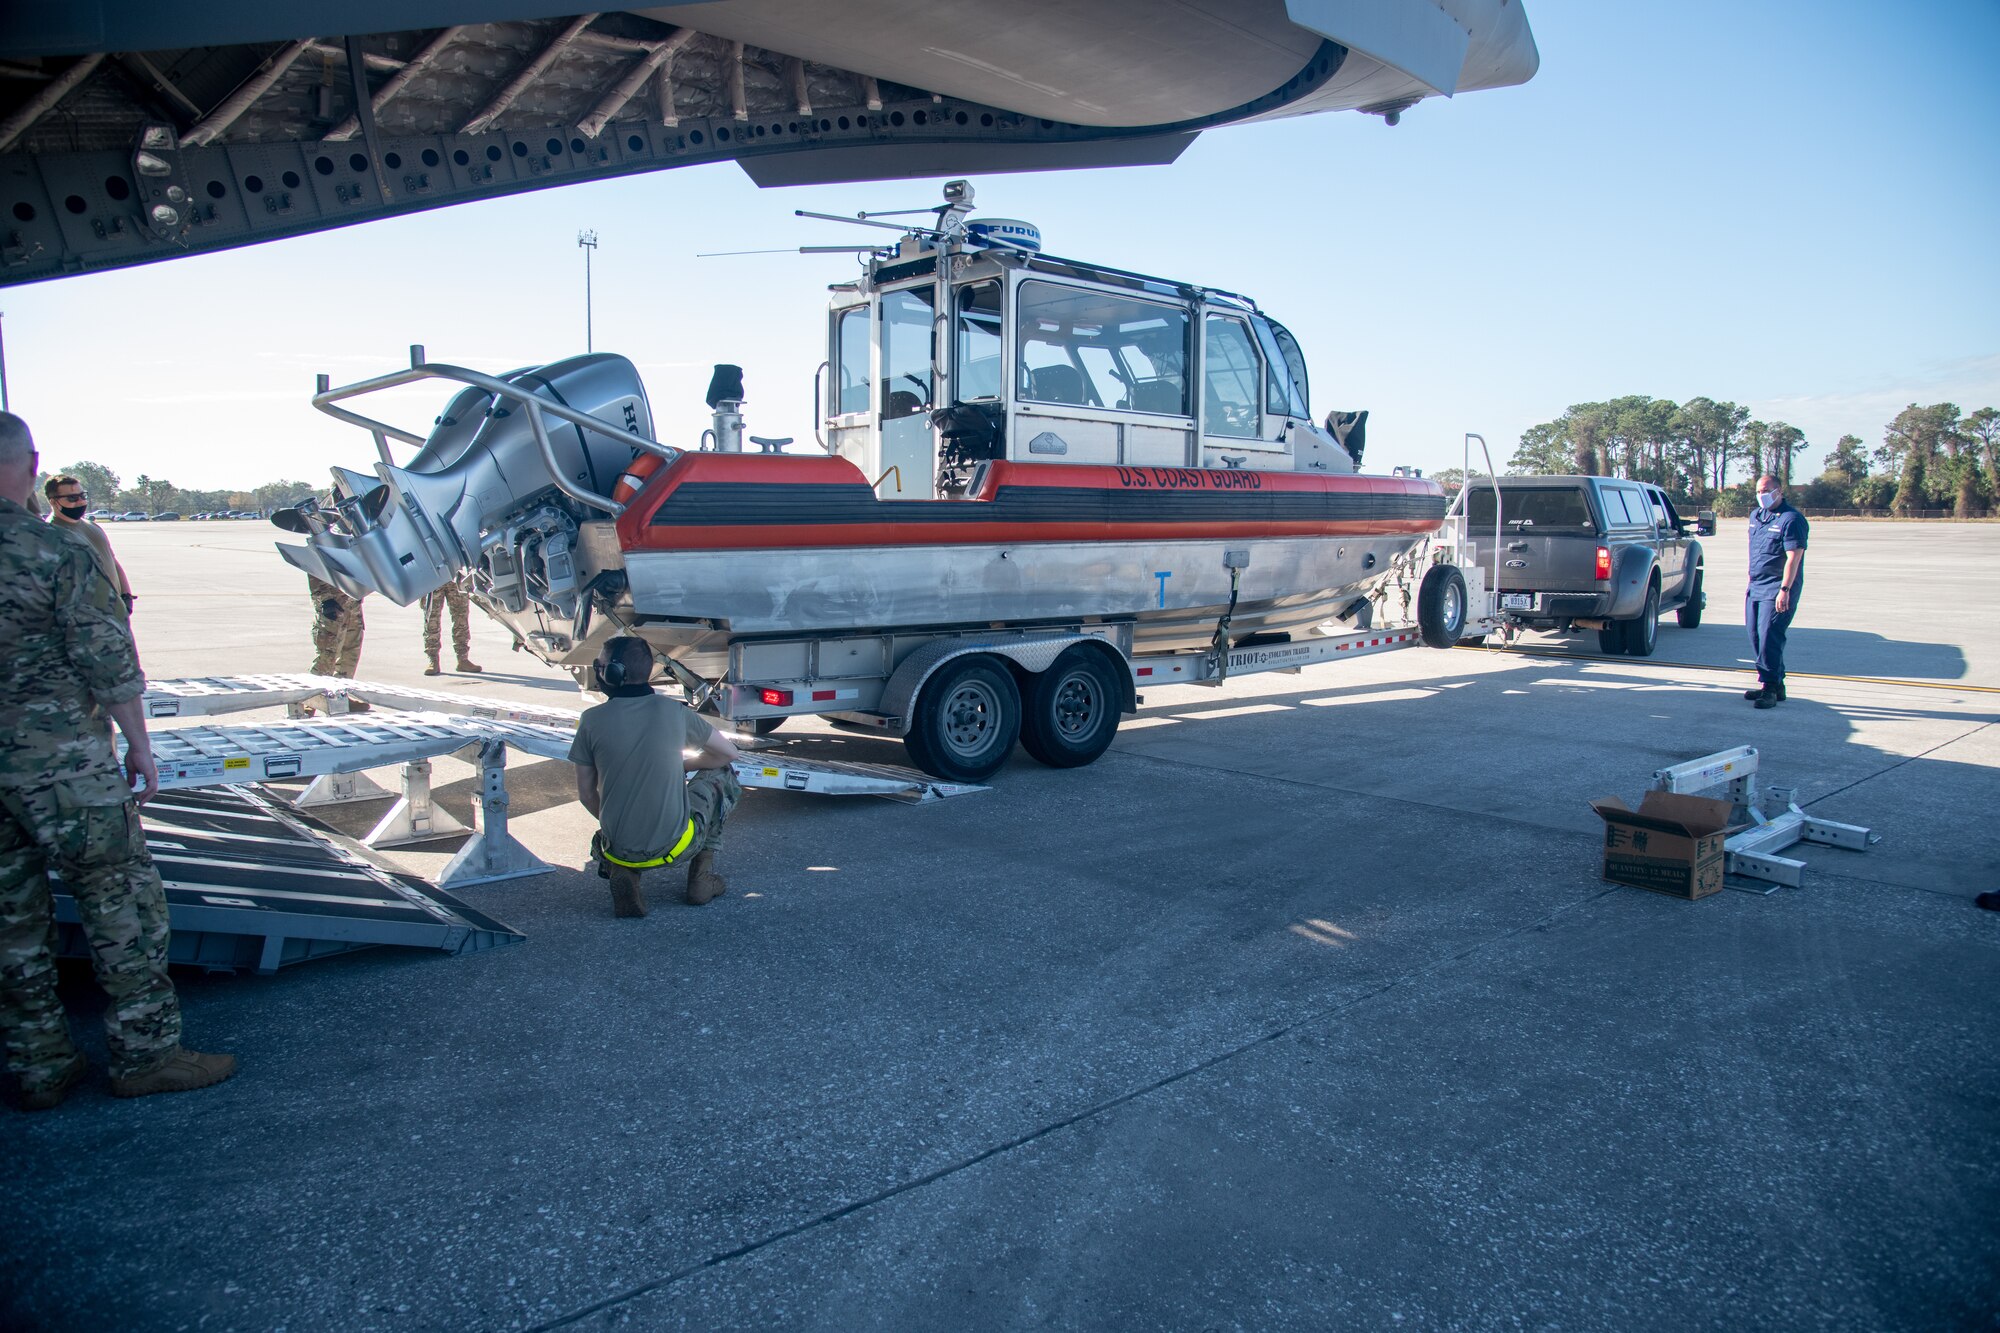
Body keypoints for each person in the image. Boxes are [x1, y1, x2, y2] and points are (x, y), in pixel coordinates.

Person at [0, 412, 236, 1109]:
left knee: (11, 917)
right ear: (32, 463)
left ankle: (40, 1062)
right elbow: (107, 657)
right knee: (121, 901)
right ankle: (146, 1053)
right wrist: (137, 741)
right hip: (64, 767)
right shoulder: (56, 551)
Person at [568, 637, 743, 918]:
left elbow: (586, 794)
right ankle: (701, 878)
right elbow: (727, 754)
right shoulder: (673, 712)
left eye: (599, 666)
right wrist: (684, 766)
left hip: (616, 847)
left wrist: (621, 825)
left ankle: (626, 870)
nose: (598, 671)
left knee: (619, 830)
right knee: (722, 775)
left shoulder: (591, 720)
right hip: (676, 846)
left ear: (613, 674)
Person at [1744, 474, 1808, 710]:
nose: (1762, 495)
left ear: (1779, 491)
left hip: (1777, 587)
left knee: (1769, 635)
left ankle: (1770, 687)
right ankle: (1775, 684)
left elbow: (1794, 558)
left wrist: (1785, 589)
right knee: (1755, 635)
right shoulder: (1756, 516)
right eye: (1759, 490)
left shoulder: (1792, 520)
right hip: (1755, 585)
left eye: (1766, 490)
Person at [42, 475, 134, 616]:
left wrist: (126, 596)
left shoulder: (92, 527)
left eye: (82, 496)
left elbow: (113, 562)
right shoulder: (49, 534)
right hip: (83, 620)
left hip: (113, 613)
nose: (80, 502)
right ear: (54, 502)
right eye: (72, 498)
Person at [421, 572, 482, 676]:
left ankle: (462, 659)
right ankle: (433, 660)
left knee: (461, 619)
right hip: (433, 579)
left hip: (455, 577)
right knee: (432, 620)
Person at [308, 573, 365, 680]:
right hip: (332, 603)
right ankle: (317, 693)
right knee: (328, 654)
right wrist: (325, 598)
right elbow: (313, 567)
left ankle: (342, 691)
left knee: (350, 653)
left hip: (352, 601)